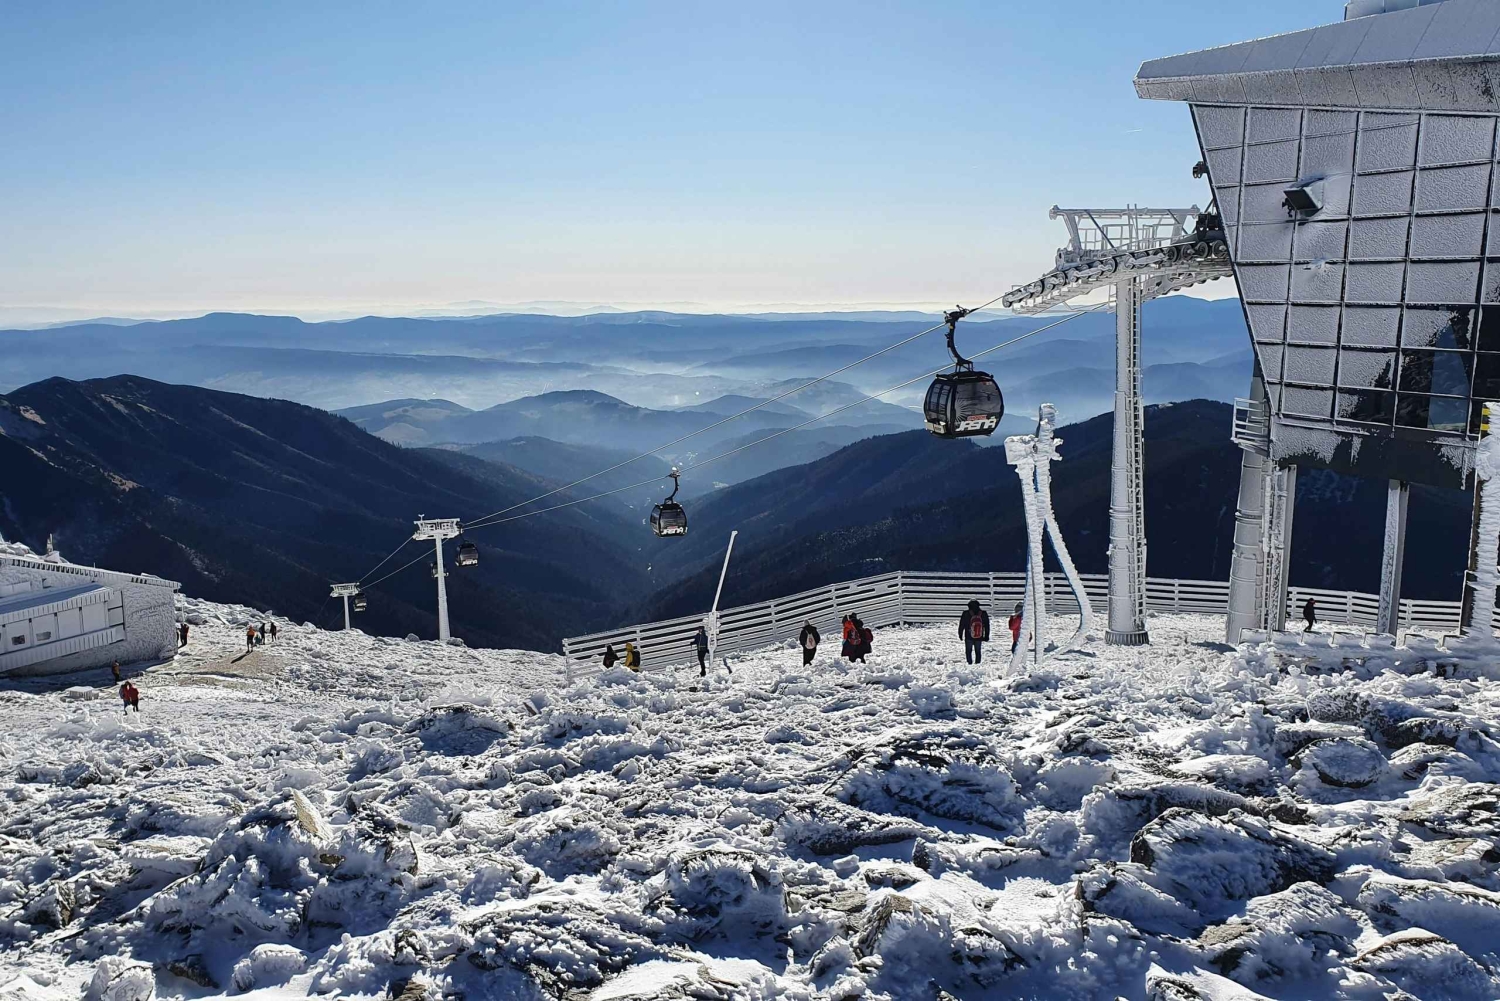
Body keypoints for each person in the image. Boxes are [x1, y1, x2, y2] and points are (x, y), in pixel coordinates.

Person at [959, 600, 991, 664]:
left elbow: (961, 625)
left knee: (968, 651)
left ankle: (969, 663)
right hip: (979, 635)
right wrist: (986, 636)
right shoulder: (983, 613)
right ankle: (977, 664)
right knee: (978, 651)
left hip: (968, 635)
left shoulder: (966, 613)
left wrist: (960, 634)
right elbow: (987, 625)